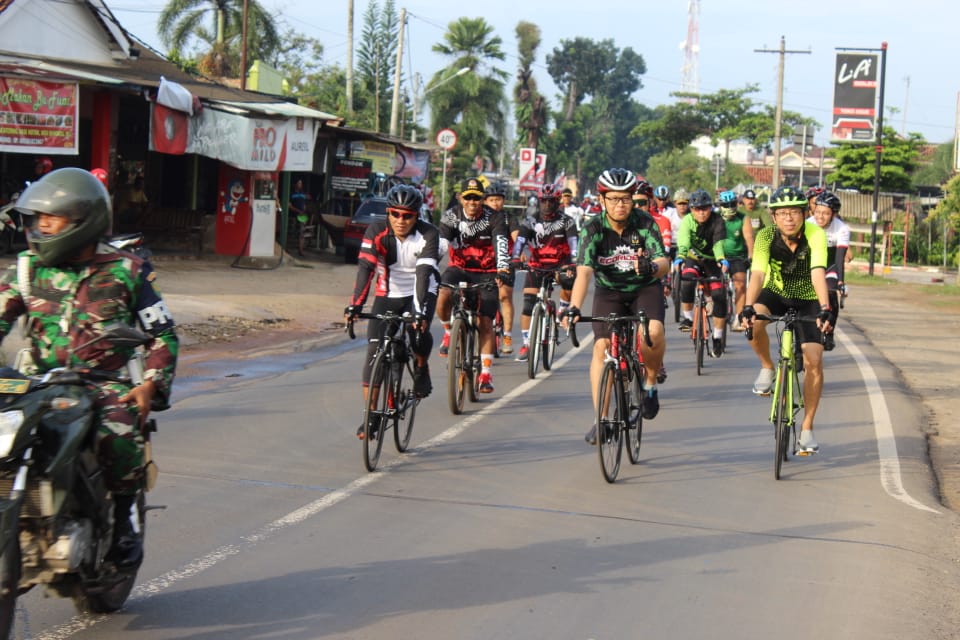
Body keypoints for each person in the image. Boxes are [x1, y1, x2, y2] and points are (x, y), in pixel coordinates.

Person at [0, 167, 178, 567]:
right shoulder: (29, 268)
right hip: (39, 381)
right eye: (37, 219)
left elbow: (162, 335)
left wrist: (149, 384)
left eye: (51, 218)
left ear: (83, 221)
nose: (41, 226)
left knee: (117, 428)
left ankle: (124, 519)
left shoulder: (129, 271)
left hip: (101, 383)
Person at [566, 168, 669, 445]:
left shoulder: (645, 222)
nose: (620, 204)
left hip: (644, 287)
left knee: (654, 332)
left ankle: (649, 383)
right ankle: (600, 420)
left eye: (625, 198)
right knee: (600, 348)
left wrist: (652, 266)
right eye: (613, 199)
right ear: (602, 200)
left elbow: (664, 262)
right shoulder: (593, 227)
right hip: (609, 291)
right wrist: (574, 307)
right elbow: (585, 271)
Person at [739, 186, 832, 454]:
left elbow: (818, 272)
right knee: (754, 321)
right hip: (777, 292)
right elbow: (757, 274)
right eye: (782, 213)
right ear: (774, 216)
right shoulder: (766, 237)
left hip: (809, 297)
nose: (788, 218)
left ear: (805, 214)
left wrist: (825, 307)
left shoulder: (816, 235)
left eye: (794, 212)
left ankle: (807, 429)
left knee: (814, 359)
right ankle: (767, 366)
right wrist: (747, 306)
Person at [345, 184, 440, 438]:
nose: (400, 220)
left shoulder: (429, 234)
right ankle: (370, 417)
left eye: (407, 215)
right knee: (373, 353)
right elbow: (365, 268)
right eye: (395, 214)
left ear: (416, 215)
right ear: (388, 213)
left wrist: (418, 314)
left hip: (421, 291)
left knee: (418, 333)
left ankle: (421, 367)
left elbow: (423, 275)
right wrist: (356, 305)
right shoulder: (375, 231)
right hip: (387, 293)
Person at [436, 177, 510, 393]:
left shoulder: (495, 218)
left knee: (486, 321)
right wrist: (430, 264)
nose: (472, 202)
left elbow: (501, 244)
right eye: (468, 197)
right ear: (461, 198)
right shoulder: (451, 216)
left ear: (482, 199)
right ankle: (449, 330)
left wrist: (503, 269)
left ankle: (485, 373)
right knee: (442, 295)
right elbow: (442, 244)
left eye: (476, 198)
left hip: (486, 272)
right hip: (459, 268)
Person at [512, 183, 578, 361]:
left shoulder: (567, 221)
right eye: (543, 201)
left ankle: (562, 310)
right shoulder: (530, 221)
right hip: (537, 264)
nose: (547, 205)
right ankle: (526, 343)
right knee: (527, 304)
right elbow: (520, 241)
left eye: (551, 201)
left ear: (558, 202)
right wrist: (516, 258)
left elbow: (573, 244)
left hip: (560, 264)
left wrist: (572, 263)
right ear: (538, 202)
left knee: (570, 281)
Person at [674, 188, 729, 358]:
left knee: (719, 295)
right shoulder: (688, 221)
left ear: (710, 208)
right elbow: (683, 240)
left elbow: (718, 243)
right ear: (691, 210)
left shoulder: (718, 221)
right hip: (694, 258)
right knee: (688, 280)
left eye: (705, 208)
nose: (701, 213)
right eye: (697, 209)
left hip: (712, 260)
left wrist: (721, 259)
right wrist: (680, 257)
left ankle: (718, 337)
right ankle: (688, 318)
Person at [807, 190, 849, 351]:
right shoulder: (808, 225)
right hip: (810, 264)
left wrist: (840, 282)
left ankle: (830, 330)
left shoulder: (841, 229)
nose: (820, 217)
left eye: (825, 213)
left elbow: (839, 258)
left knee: (831, 292)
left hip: (829, 264)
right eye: (817, 212)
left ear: (834, 214)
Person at [484, 180, 516, 355]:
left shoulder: (508, 218)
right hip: (484, 264)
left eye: (498, 199)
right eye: (491, 200)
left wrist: (519, 252)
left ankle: (508, 336)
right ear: (485, 202)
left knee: (504, 296)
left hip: (505, 263)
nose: (495, 203)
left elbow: (516, 237)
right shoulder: (480, 218)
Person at [717, 189, 754, 331]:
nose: (730, 208)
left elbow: (749, 238)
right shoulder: (715, 217)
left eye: (732, 204)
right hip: (719, 256)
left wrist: (750, 256)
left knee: (740, 285)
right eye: (726, 205)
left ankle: (738, 317)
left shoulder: (743, 218)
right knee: (714, 284)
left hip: (737, 257)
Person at [289, 178, 311, 256]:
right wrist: (298, 211)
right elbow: (289, 206)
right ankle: (287, 250)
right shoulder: (291, 193)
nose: (300, 185)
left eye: (301, 183)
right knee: (291, 233)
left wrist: (304, 210)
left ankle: (300, 250)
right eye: (298, 183)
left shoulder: (302, 193)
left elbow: (304, 204)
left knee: (302, 233)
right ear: (295, 184)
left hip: (302, 216)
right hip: (293, 216)